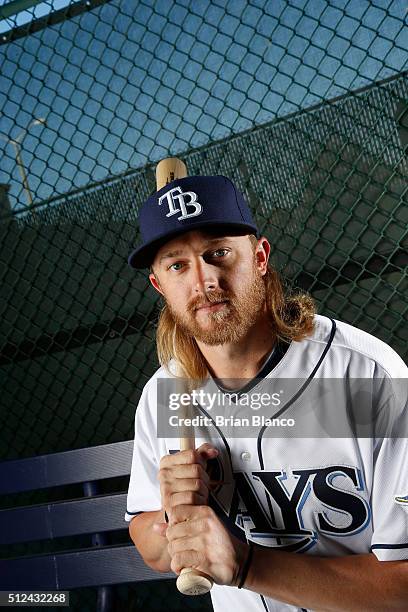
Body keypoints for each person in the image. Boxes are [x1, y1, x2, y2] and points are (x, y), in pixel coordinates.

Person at [125, 174, 408, 611]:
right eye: (177, 265)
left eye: (218, 253)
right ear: (160, 285)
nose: (204, 282)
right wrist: (174, 518)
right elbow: (148, 540)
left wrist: (244, 565)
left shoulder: (365, 375)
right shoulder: (165, 393)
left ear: (260, 257)